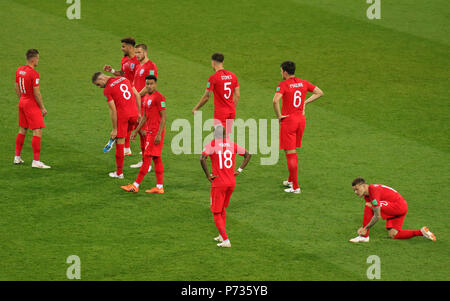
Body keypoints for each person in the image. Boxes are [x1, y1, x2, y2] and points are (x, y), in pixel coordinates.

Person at [272, 61, 323, 194]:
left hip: (289, 121)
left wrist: (279, 116)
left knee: (290, 153)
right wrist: (305, 102)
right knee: (290, 150)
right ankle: (290, 180)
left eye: (281, 71)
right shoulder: (303, 82)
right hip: (301, 120)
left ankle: (295, 187)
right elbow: (319, 92)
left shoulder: (283, 84)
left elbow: (275, 100)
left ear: (285, 72)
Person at [200, 125, 251, 248]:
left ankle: (226, 240)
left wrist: (208, 175)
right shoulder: (231, 144)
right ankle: (221, 235)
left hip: (219, 183)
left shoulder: (212, 144)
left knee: (216, 212)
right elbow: (248, 155)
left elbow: (202, 158)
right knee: (222, 208)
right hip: (231, 182)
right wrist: (239, 170)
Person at [349, 177, 436, 243]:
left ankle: (364, 237)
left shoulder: (373, 190)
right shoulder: (367, 194)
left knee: (369, 206)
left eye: (357, 189)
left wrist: (365, 228)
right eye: (354, 190)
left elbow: (377, 215)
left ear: (364, 186)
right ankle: (422, 232)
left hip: (398, 206)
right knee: (393, 235)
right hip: (399, 206)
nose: (356, 192)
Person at [121, 75, 166, 194]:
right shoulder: (146, 98)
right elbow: (145, 116)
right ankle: (159, 187)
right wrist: (136, 131)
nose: (149, 86)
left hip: (155, 132)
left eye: (151, 84)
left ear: (156, 84)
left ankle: (135, 185)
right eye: (147, 84)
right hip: (150, 131)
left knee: (146, 158)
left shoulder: (159, 98)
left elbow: (164, 117)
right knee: (156, 158)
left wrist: (159, 134)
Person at [92, 72, 141, 178]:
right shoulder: (124, 79)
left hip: (123, 116)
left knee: (120, 141)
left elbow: (113, 110)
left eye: (98, 84)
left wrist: (114, 129)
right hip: (134, 113)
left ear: (102, 78)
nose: (99, 87)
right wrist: (140, 113)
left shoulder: (107, 90)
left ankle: (119, 173)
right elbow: (137, 95)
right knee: (143, 135)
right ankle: (146, 163)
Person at [14, 49, 50, 169]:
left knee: (22, 129)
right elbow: (37, 93)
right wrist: (42, 107)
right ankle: (36, 161)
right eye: (38, 58)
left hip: (22, 101)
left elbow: (16, 87)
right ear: (33, 59)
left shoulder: (19, 70)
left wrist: (22, 99)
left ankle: (17, 157)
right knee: (37, 130)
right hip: (30, 103)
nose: (38, 60)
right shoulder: (34, 73)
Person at [103, 37, 140, 155]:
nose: (122, 49)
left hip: (137, 93)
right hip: (127, 94)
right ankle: (127, 148)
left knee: (140, 121)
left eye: (123, 46)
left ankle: (145, 145)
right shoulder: (124, 59)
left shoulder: (138, 60)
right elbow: (123, 74)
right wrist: (112, 70)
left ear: (130, 47)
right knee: (129, 121)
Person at [192, 53, 240, 135]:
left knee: (219, 139)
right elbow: (237, 95)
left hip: (221, 113)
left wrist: (196, 108)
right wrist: (232, 108)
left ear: (213, 63)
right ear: (223, 62)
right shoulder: (233, 76)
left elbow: (206, 97)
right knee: (226, 137)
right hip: (232, 112)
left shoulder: (213, 78)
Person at [130, 44, 158, 169]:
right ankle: (144, 161)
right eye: (136, 52)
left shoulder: (151, 66)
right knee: (141, 131)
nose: (137, 55)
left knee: (145, 132)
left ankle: (148, 162)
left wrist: (136, 96)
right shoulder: (138, 66)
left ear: (145, 52)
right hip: (137, 103)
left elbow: (150, 85)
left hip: (145, 103)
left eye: (139, 52)